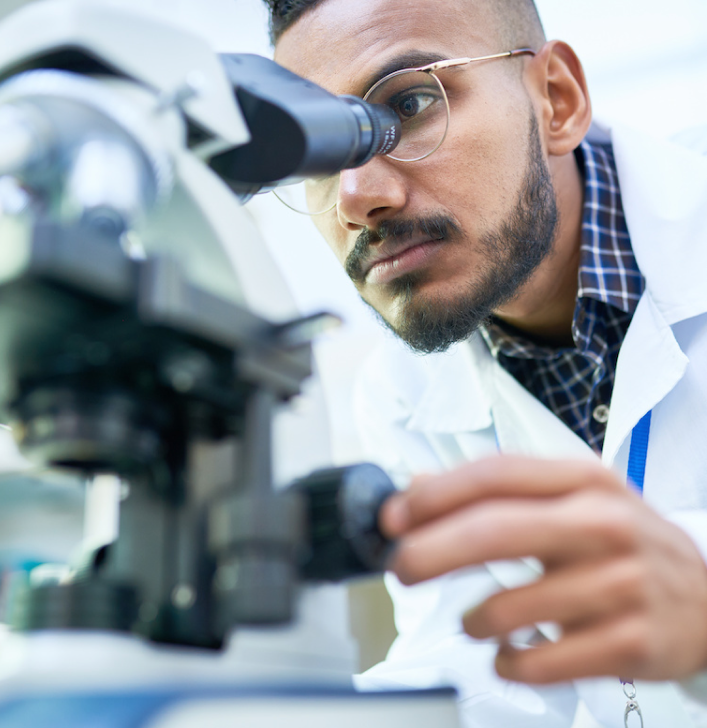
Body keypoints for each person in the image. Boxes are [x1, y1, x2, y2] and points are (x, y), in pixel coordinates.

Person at [263, 0, 707, 725]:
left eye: (406, 104)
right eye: (317, 155)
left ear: (556, 99)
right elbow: (474, 667)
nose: (357, 198)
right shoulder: (402, 395)